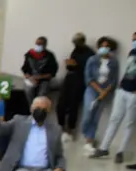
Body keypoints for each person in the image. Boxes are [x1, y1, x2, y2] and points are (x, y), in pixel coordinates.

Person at [94, 33, 136, 163]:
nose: (133, 41)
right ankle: (104, 148)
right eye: (133, 39)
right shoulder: (132, 52)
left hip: (133, 94)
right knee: (114, 119)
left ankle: (121, 152)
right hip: (122, 89)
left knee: (129, 123)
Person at [82, 37, 120, 155]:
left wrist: (105, 91)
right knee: (88, 113)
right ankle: (85, 132)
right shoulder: (92, 60)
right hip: (92, 89)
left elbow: (114, 80)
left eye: (106, 46)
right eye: (102, 46)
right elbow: (88, 77)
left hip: (106, 92)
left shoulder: (114, 62)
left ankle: (89, 141)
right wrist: (99, 90)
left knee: (96, 117)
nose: (104, 48)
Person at [58, 33, 96, 142]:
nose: (75, 44)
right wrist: (69, 64)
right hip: (69, 78)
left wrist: (77, 66)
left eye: (77, 42)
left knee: (73, 106)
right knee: (61, 105)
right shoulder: (75, 50)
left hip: (80, 81)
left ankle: (70, 131)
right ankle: (62, 129)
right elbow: (71, 66)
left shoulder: (90, 54)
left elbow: (89, 71)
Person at [21, 36, 59, 102]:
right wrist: (29, 77)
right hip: (31, 79)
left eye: (40, 44)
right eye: (36, 44)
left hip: (43, 80)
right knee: (28, 91)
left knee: (42, 94)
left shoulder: (50, 56)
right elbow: (25, 69)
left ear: (45, 45)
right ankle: (31, 106)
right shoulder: (29, 54)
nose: (37, 46)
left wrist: (39, 77)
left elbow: (52, 72)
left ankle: (38, 107)